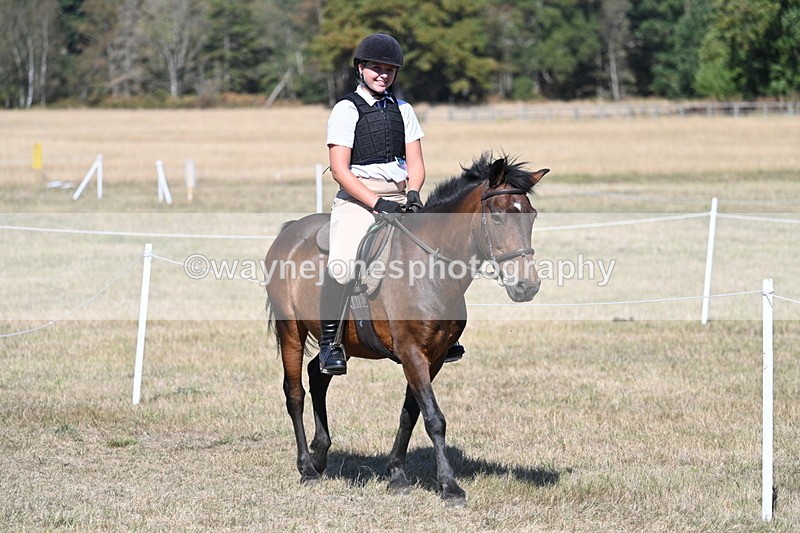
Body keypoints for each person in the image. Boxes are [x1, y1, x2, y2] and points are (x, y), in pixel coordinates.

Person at [319, 33, 463, 376]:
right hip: (358, 198)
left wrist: (413, 193)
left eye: (389, 70)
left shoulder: (404, 110)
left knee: (442, 254)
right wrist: (377, 204)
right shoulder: (345, 110)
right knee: (341, 263)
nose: (382, 74)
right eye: (375, 68)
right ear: (361, 68)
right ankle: (329, 343)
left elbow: (416, 162)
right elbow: (340, 170)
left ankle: (447, 333)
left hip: (401, 197)